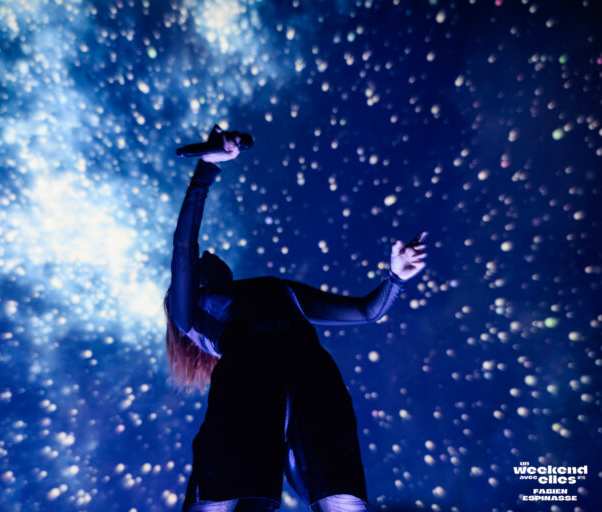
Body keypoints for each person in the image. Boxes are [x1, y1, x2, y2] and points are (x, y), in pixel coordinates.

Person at [164, 127, 428, 512]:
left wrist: (396, 277)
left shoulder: (278, 290)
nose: (207, 255)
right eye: (197, 263)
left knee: (341, 500)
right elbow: (183, 246)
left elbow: (366, 311)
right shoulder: (192, 311)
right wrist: (205, 169)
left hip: (314, 392)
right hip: (251, 398)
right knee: (226, 499)